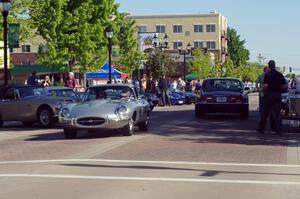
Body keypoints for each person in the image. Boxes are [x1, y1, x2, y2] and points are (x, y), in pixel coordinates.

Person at [257, 60, 288, 134]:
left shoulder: (268, 75)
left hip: (269, 95)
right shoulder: (279, 74)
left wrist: (261, 89)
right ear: (274, 65)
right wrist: (281, 89)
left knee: (265, 113)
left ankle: (261, 129)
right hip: (278, 96)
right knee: (277, 114)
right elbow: (285, 85)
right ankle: (279, 130)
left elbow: (266, 85)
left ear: (269, 66)